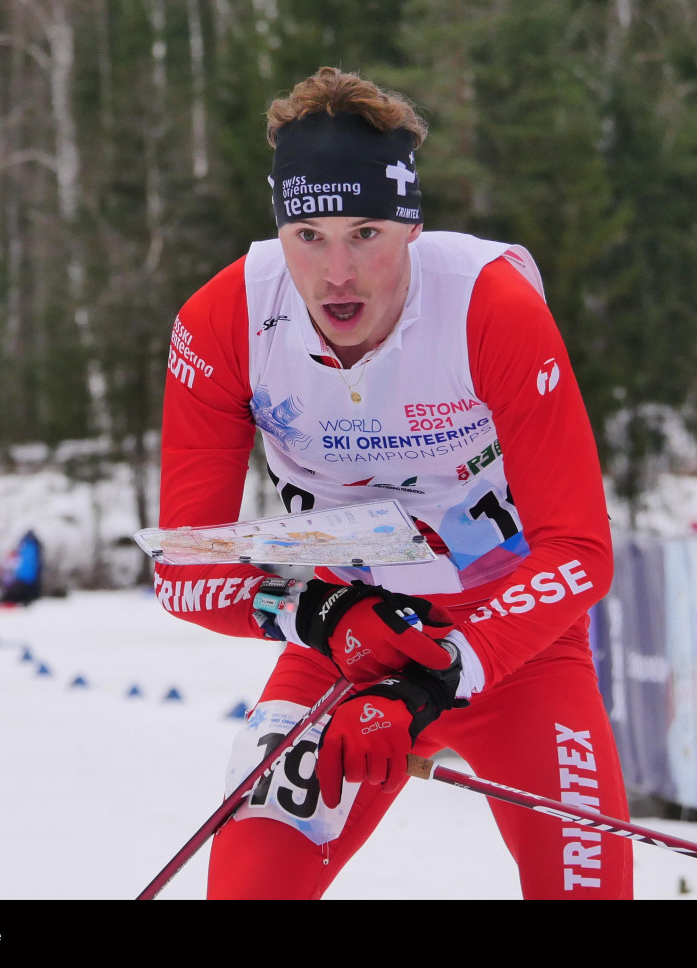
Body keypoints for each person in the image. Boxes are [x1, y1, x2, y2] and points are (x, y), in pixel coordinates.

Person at [154, 67, 631, 899]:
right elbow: (185, 569)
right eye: (308, 234)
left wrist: (436, 675)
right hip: (351, 645)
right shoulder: (224, 320)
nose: (337, 272)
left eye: (365, 232)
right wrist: (324, 615)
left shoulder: (491, 305)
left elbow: (580, 550)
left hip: (512, 639)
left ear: (411, 227)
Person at [0, 530, 44, 606]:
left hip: (24, 578)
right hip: (23, 578)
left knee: (20, 591)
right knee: (18, 591)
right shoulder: (32, 545)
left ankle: (15, 599)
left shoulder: (26, 545)